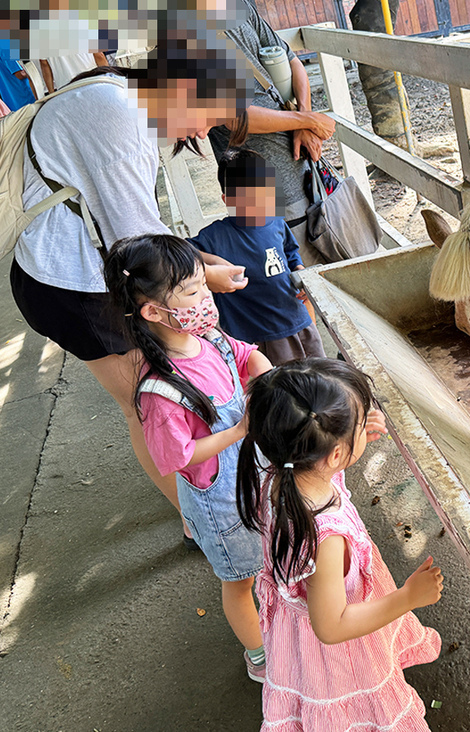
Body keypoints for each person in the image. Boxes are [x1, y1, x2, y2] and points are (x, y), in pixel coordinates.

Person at [10, 38, 251, 548]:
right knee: (146, 401)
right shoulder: (122, 117)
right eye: (208, 119)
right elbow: (133, 237)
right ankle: (202, 524)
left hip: (82, 270)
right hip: (72, 282)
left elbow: (141, 231)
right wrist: (207, 275)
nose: (204, 133)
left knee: (159, 393)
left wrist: (205, 264)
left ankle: (201, 502)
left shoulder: (122, 99)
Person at [237, 358, 443, 729]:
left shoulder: (280, 475)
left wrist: (353, 438)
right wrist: (408, 598)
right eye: (361, 425)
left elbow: (323, 467)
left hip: (296, 639)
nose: (366, 428)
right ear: (333, 454)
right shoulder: (326, 539)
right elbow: (331, 626)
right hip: (339, 656)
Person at [103, 234, 272, 682]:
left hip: (249, 476)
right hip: (220, 504)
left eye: (204, 286)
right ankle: (259, 657)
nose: (207, 298)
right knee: (239, 582)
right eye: (195, 291)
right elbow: (177, 455)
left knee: (267, 556)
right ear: (152, 312)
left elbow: (243, 354)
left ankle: (278, 617)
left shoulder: (207, 337)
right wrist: (238, 430)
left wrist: (267, 375)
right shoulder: (160, 390)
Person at [209, 0, 337, 267]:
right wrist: (307, 119)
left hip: (300, 167)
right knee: (294, 283)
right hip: (259, 192)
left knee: (321, 270)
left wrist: (303, 121)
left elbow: (292, 61)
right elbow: (234, 116)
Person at [189, 147, 326, 365]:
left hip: (296, 322)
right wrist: (211, 265)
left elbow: (291, 253)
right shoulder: (213, 237)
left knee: (317, 378)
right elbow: (179, 253)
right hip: (252, 336)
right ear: (227, 199)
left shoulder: (277, 223)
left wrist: (301, 274)